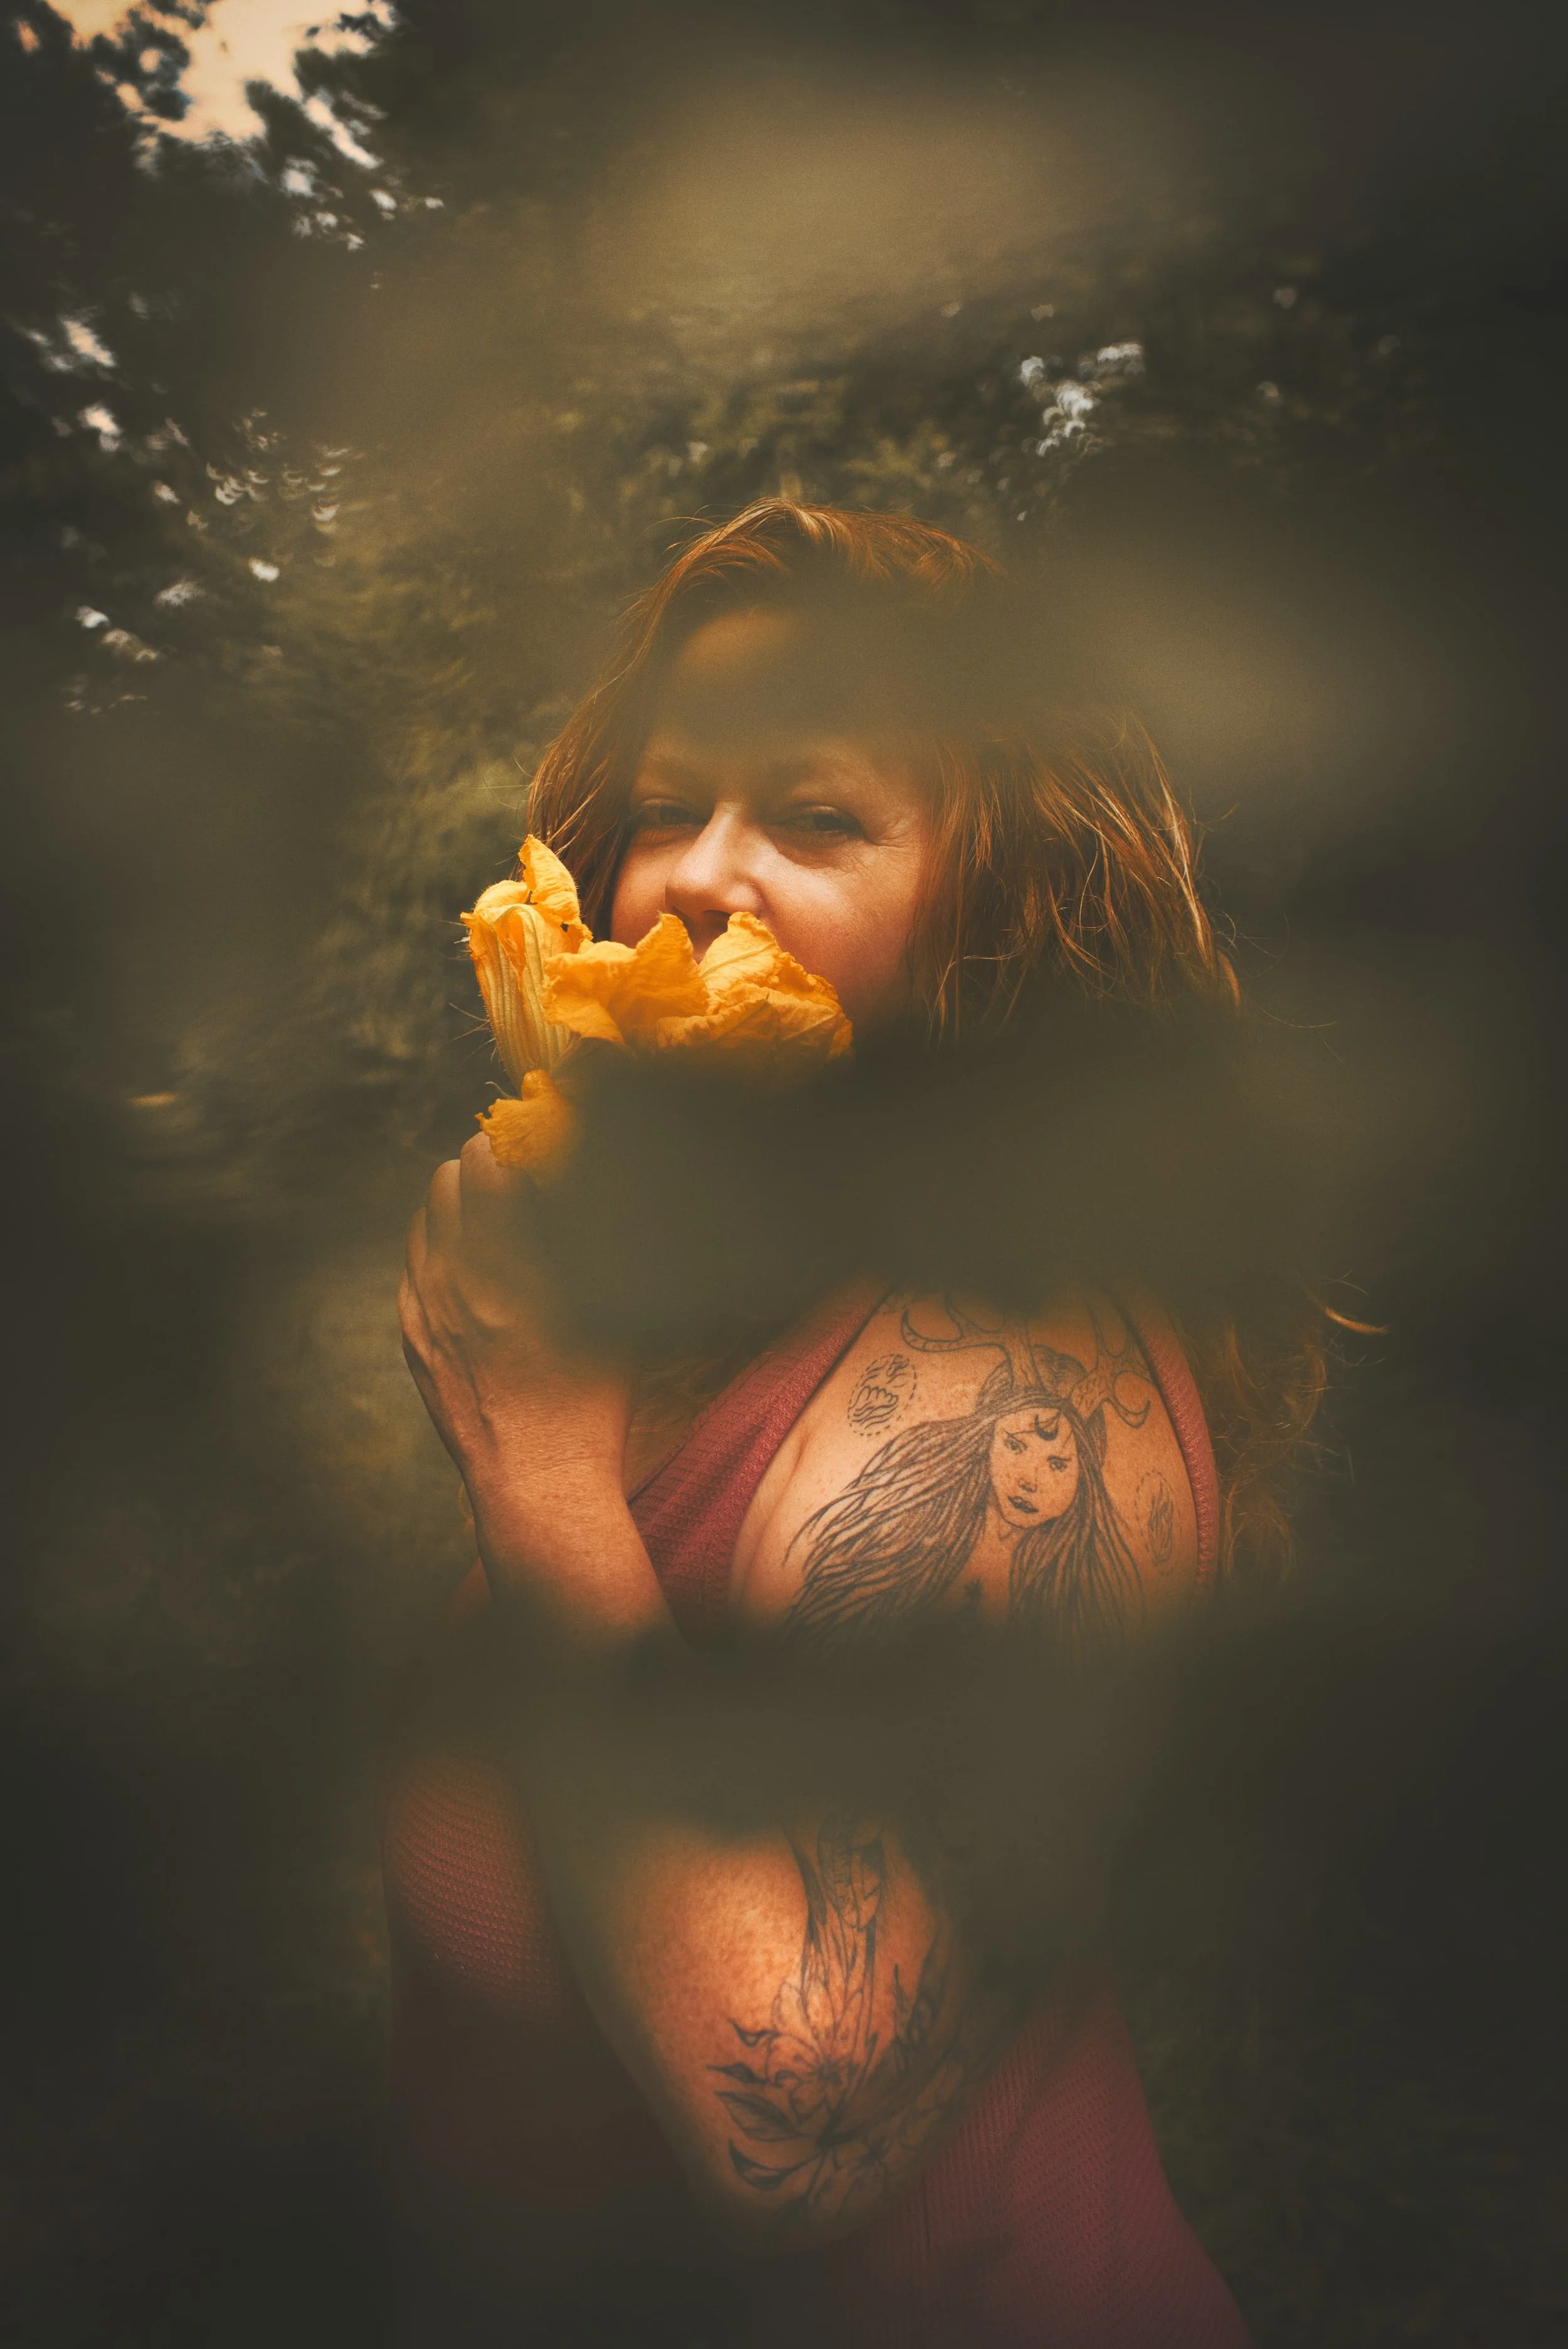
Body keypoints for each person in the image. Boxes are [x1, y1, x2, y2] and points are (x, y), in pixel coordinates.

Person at [390, 501, 1324, 2345]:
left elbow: (801, 2111)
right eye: (670, 808)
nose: (701, 879)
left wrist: (543, 1471)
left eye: (818, 820)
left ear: (995, 918)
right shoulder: (710, 1315)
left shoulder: (1026, 1371)